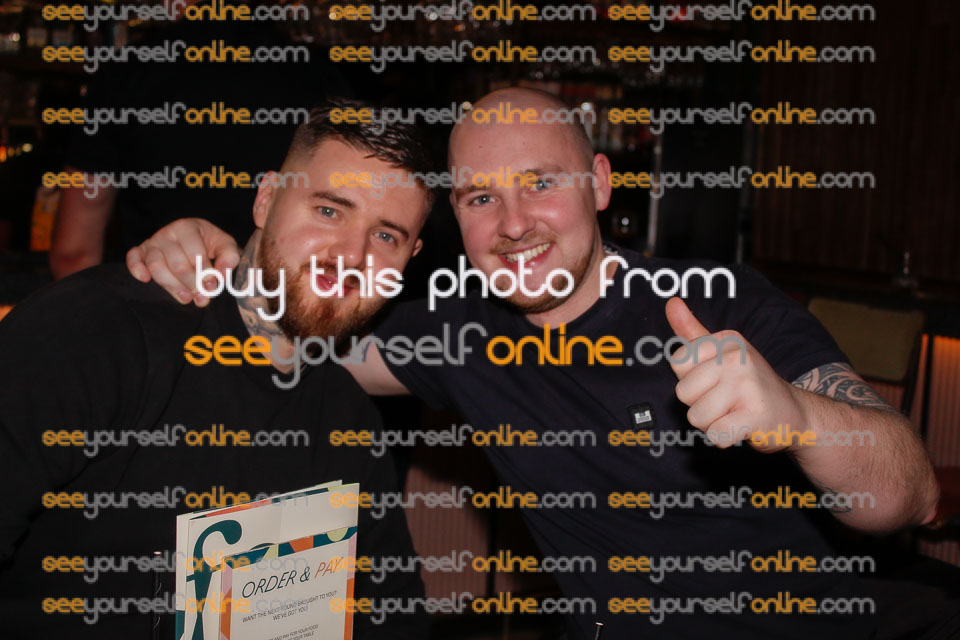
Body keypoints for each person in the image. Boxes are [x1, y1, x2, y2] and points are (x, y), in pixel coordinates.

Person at [125, 88, 945, 639]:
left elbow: (908, 494)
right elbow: (301, 332)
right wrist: (212, 256)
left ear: (599, 184)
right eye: (481, 197)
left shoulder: (715, 302)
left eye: (540, 183)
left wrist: (796, 418)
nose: (514, 224)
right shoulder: (461, 330)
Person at [0, 99, 433, 638]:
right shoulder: (100, 335)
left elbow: (393, 620)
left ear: (410, 259)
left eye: (386, 236)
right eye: (329, 210)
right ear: (266, 199)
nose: (351, 255)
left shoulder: (350, 423)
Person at [50, 0, 351, 279]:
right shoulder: (321, 79)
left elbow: (74, 251)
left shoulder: (125, 74)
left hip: (151, 300)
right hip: (271, 307)